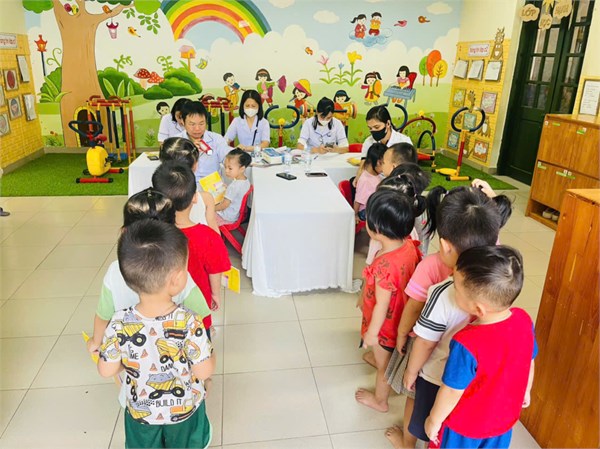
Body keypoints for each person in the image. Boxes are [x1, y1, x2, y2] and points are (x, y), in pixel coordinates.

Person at [398, 186, 512, 448]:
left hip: (437, 372)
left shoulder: (443, 291)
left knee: (425, 416)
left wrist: (411, 371)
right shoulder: (501, 277)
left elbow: (425, 341)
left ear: (445, 245)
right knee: (453, 420)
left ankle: (407, 443)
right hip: (478, 376)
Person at [97, 219, 215, 448]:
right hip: (185, 412)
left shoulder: (118, 323)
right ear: (177, 279)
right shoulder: (190, 321)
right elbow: (203, 370)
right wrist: (212, 360)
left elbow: (106, 370)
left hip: (141, 414)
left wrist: (126, 361)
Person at [87, 189, 211, 404]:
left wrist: (96, 342)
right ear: (173, 231)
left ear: (124, 233)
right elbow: (202, 319)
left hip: (135, 381)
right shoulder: (178, 277)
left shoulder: (115, 272)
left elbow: (103, 316)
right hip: (182, 386)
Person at [425, 245, 536, 449]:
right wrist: (526, 390)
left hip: (464, 427)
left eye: (456, 288)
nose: (453, 290)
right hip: (503, 421)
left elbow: (452, 391)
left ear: (478, 309)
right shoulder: (524, 320)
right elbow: (529, 361)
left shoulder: (466, 342)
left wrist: (434, 419)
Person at [355, 189, 422, 413]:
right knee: (387, 356)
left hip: (386, 326)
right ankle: (382, 361)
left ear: (377, 229)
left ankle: (380, 400)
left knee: (384, 366)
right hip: (402, 315)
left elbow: (382, 306)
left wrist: (372, 334)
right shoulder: (409, 245)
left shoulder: (384, 265)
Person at [152, 162, 231, 333]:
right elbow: (215, 271)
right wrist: (215, 294)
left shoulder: (152, 235)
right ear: (195, 197)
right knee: (199, 337)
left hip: (160, 303)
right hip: (198, 300)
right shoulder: (209, 237)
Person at [159, 137, 219, 233]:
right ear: (195, 165)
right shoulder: (206, 198)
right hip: (202, 240)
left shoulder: (158, 197)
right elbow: (215, 232)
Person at [353, 105, 412, 189]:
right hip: (374, 184)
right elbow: (363, 164)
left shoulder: (403, 142)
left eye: (377, 127)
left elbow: (410, 171)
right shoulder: (369, 142)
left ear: (388, 124)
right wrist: (358, 178)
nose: (373, 131)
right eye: (370, 128)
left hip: (397, 186)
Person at [177, 101, 232, 181]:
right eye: (192, 124)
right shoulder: (176, 142)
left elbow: (229, 157)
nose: (197, 128)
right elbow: (170, 167)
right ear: (182, 121)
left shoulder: (216, 139)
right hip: (186, 186)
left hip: (213, 186)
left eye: (201, 124)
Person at [215, 148, 252, 224]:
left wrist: (212, 208)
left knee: (205, 213)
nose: (226, 171)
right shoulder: (246, 181)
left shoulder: (234, 186)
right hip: (236, 214)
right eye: (225, 167)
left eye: (230, 168)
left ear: (242, 169)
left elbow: (224, 205)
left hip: (227, 217)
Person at [354, 143, 386, 222]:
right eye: (384, 163)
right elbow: (357, 201)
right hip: (365, 212)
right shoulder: (365, 180)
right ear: (378, 162)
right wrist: (354, 216)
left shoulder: (375, 175)